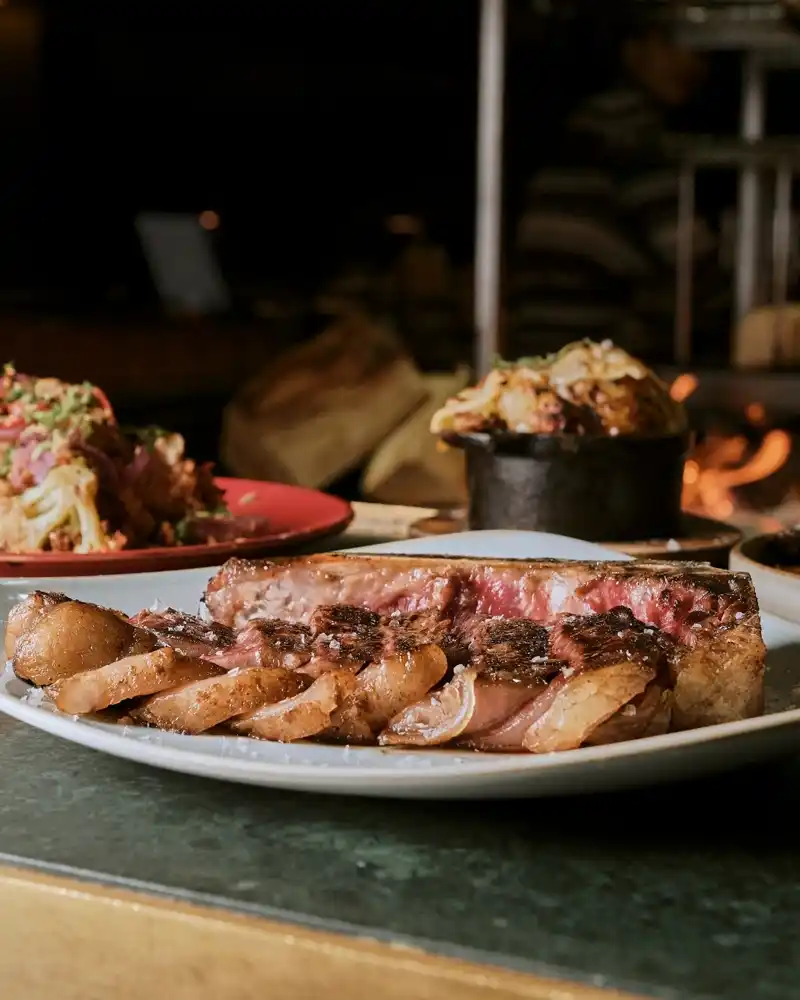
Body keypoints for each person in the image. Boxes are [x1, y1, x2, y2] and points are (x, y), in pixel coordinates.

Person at [506, 10, 726, 362]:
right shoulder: (631, 131)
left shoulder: (589, 123)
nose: (694, 64)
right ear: (633, 49)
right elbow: (688, 255)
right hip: (593, 350)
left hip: (539, 346)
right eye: (674, 42)